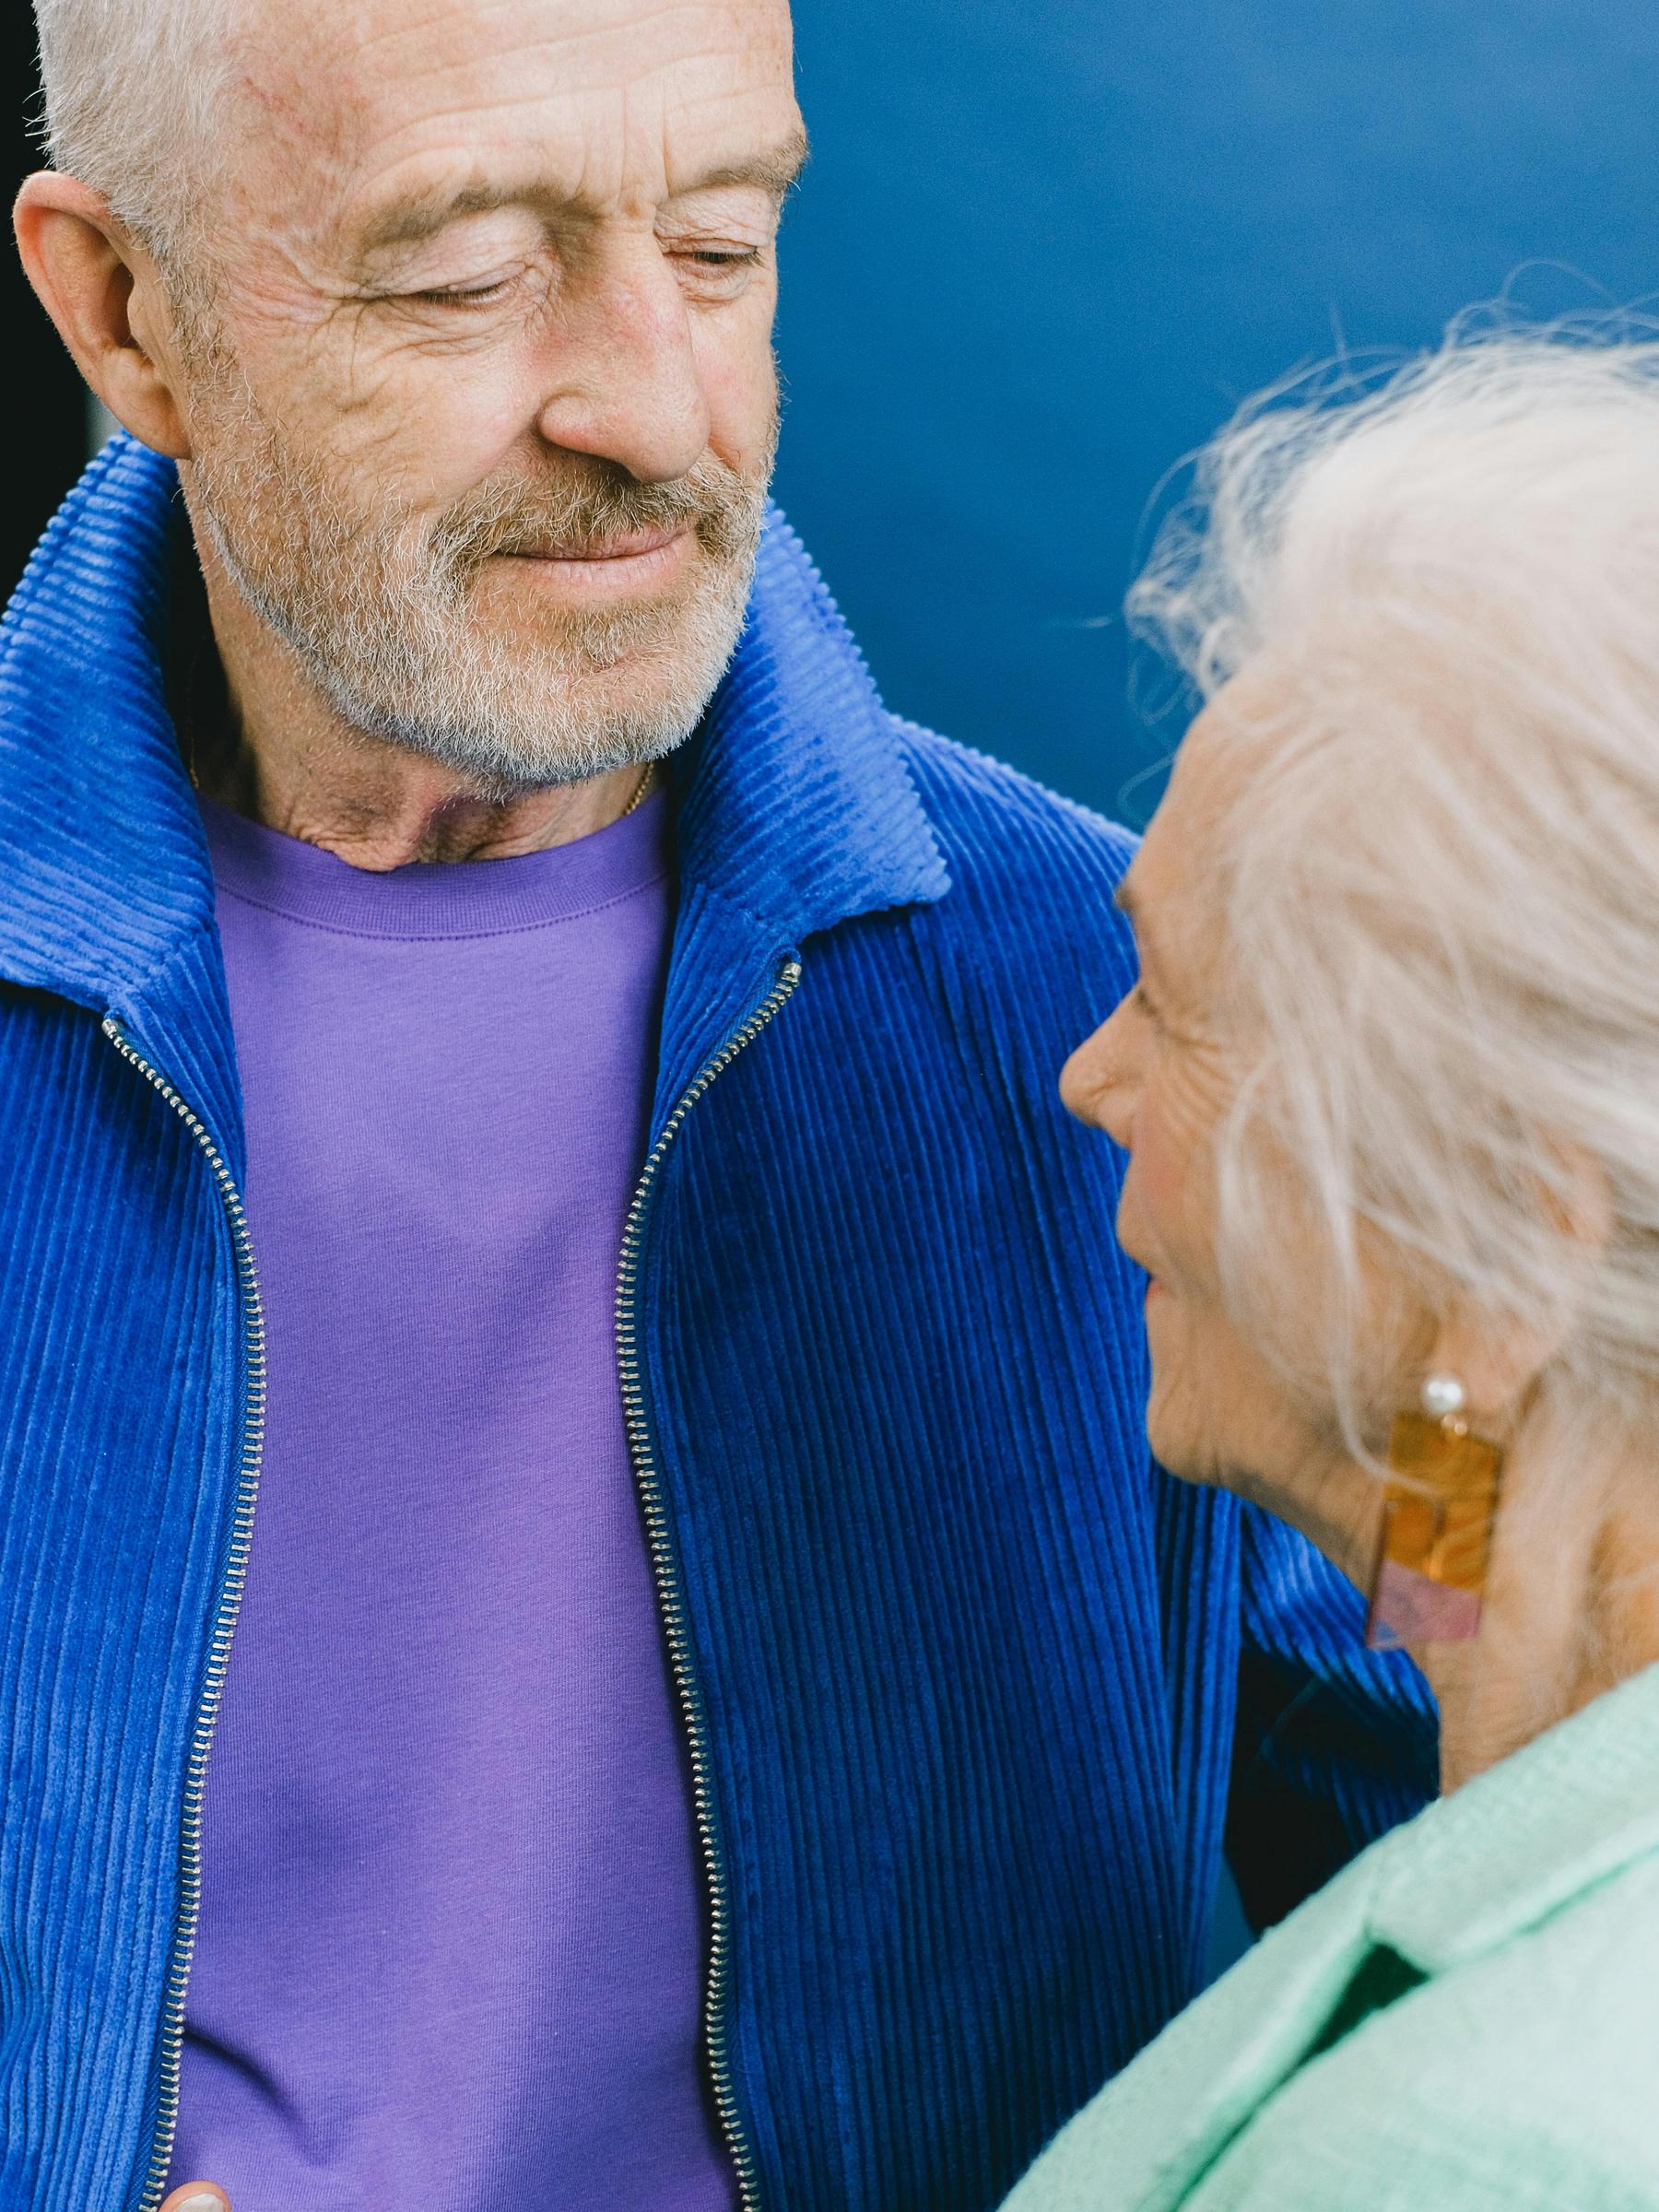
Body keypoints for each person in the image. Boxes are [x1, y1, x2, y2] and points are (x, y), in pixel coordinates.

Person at [4, 2, 1432, 2206]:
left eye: (721, 243)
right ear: (125, 313)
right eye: (469, 272)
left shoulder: (1114, 1007)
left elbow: (1545, 1887)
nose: (654, 406)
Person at [1006, 325, 1659, 2212]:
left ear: (1514, 1235)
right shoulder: (1486, 1506)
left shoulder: (1483, 2152)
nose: (1088, 1075)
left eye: (1175, 1003)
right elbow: (1468, 1509)